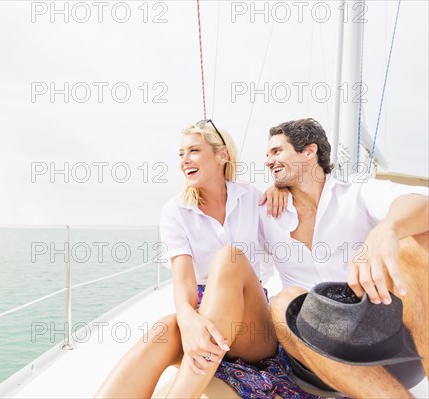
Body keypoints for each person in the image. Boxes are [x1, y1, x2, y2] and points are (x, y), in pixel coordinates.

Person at [94, 120, 329, 399]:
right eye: (181, 154)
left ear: (222, 155)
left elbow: (296, 227)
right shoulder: (176, 212)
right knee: (165, 328)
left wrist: (282, 188)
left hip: (251, 325)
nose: (185, 160)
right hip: (205, 314)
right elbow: (183, 282)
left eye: (194, 150)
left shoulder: (253, 198)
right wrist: (188, 319)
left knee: (230, 258)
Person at [260, 118, 429, 398]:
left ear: (309, 151)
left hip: (385, 342)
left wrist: (386, 230)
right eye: (267, 155)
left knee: (416, 240)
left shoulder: (356, 193)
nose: (268, 161)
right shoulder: (266, 210)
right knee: (283, 301)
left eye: (277, 151)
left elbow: (420, 202)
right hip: (314, 353)